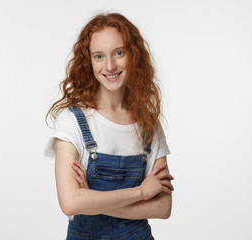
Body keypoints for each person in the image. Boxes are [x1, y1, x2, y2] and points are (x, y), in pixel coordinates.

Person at [45, 12, 174, 240]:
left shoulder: (148, 125)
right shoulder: (72, 121)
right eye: (99, 56)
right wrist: (141, 192)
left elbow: (163, 207)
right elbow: (70, 203)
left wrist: (91, 199)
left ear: (133, 56)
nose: (110, 65)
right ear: (89, 62)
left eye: (119, 53)